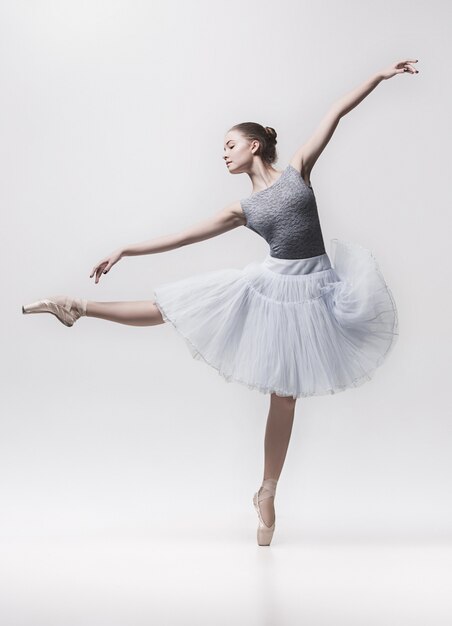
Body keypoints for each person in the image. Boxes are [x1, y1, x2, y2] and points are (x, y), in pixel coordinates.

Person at [22, 58, 418, 546]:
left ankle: (267, 491)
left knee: (286, 396)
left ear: (254, 146)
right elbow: (183, 237)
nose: (223, 154)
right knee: (174, 308)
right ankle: (78, 306)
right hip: (271, 288)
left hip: (316, 293)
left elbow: (335, 113)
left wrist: (379, 77)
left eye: (229, 145)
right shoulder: (240, 209)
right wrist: (126, 248)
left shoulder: (297, 171)